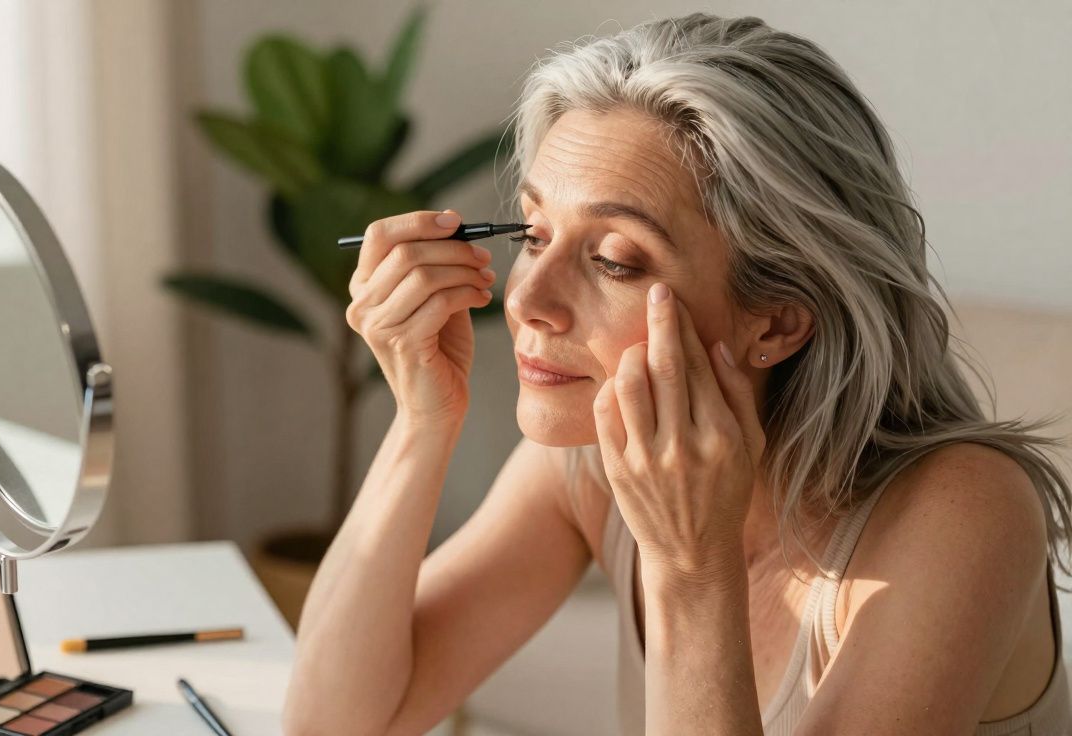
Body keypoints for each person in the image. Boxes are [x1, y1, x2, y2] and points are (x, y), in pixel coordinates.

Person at [282, 12, 1072, 735]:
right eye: (533, 233)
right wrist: (423, 419)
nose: (528, 299)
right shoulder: (589, 462)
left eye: (613, 260)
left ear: (777, 321)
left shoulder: (964, 511)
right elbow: (336, 724)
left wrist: (693, 570)